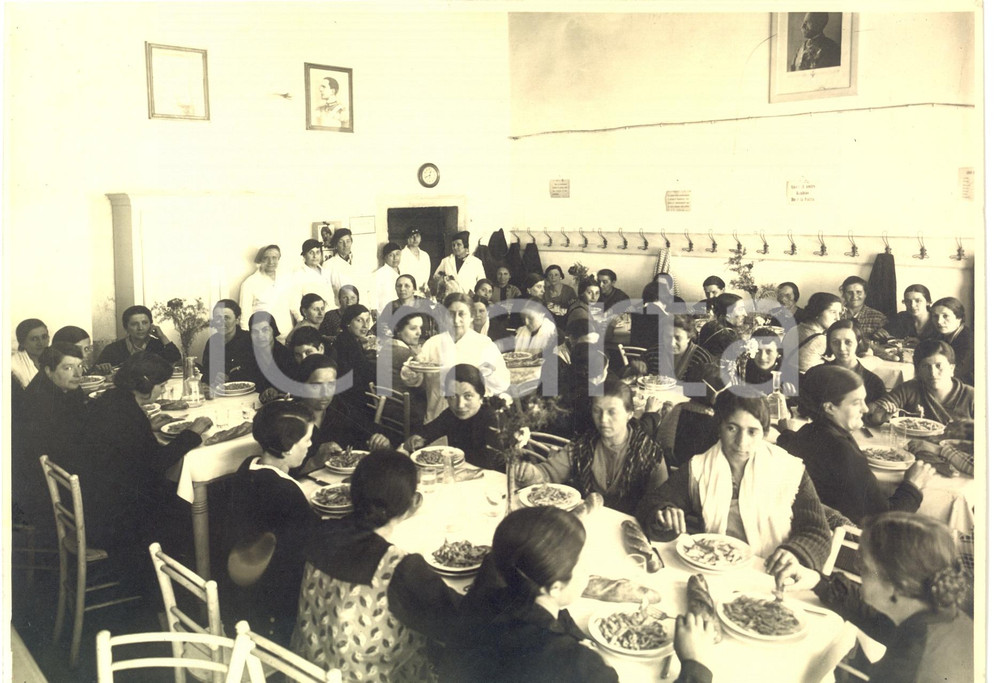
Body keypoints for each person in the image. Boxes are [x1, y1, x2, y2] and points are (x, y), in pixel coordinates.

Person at [292, 450, 461, 680]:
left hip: (305, 674)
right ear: (414, 503)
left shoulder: (320, 531)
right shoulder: (399, 567)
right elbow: (463, 621)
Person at [638, 389, 831, 575]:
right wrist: (663, 513)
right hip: (715, 568)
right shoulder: (699, 467)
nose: (741, 442)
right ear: (719, 428)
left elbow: (817, 532)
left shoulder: (789, 469)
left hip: (774, 574)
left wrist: (794, 553)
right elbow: (652, 503)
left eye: (752, 432)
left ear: (764, 433)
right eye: (732, 428)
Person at [69, 352, 212, 588]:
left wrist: (147, 425)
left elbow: (129, 447)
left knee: (174, 488)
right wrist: (192, 434)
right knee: (189, 498)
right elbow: (157, 462)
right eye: (162, 384)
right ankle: (177, 579)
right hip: (115, 520)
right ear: (145, 383)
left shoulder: (113, 399)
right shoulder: (126, 414)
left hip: (95, 502)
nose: (164, 390)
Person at [781, 512, 972, 683]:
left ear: (896, 586)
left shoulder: (905, 669)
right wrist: (818, 582)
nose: (858, 572)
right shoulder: (940, 614)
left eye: (863, 566)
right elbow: (878, 619)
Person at [444, 507, 617, 683]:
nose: (587, 570)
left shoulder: (480, 597)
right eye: (581, 563)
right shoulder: (579, 665)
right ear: (555, 588)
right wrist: (601, 662)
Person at [777, 365, 933, 524]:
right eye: (856, 403)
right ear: (830, 407)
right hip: (850, 540)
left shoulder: (808, 432)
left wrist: (785, 432)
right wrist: (913, 485)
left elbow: (789, 441)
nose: (865, 409)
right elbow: (885, 521)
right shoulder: (842, 452)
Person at [220, 399, 318, 644]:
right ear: (287, 448)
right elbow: (312, 543)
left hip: (240, 599)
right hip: (270, 615)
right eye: (306, 440)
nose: (310, 445)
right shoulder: (285, 493)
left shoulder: (248, 468)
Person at [515, 379, 668, 516]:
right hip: (586, 523)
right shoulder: (583, 445)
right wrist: (530, 473)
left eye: (612, 412)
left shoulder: (650, 454)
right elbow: (549, 472)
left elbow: (659, 505)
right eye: (597, 411)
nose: (603, 420)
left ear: (629, 414)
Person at [12, 343, 89, 544]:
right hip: (42, 490)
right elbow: (67, 449)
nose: (78, 374)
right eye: (68, 368)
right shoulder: (41, 402)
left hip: (55, 472)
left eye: (80, 366)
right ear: (48, 370)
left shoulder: (58, 387)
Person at [402, 293, 510, 423]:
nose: (456, 320)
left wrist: (487, 373)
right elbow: (414, 380)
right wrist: (413, 370)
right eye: (451, 314)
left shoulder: (484, 344)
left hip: (472, 419)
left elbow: (502, 383)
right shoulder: (433, 343)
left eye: (461, 314)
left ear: (471, 316)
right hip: (436, 417)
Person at [292, 355, 391, 473]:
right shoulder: (289, 419)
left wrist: (382, 442)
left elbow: (370, 431)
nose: (325, 393)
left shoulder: (340, 408)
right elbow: (280, 475)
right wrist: (314, 462)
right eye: (316, 386)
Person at [404, 364, 505, 471]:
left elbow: (499, 461)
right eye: (453, 396)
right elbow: (428, 431)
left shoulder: (493, 419)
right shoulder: (450, 415)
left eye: (468, 396)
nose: (460, 405)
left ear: (480, 396)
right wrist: (418, 438)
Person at [869, 340, 974, 426]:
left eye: (939, 366)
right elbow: (871, 409)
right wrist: (877, 417)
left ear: (952, 369)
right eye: (926, 366)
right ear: (917, 370)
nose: (933, 373)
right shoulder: (909, 389)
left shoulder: (971, 396)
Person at [824, 319, 886, 404]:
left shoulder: (873, 383)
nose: (841, 348)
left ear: (858, 343)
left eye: (848, 342)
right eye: (835, 342)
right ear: (829, 344)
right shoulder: (817, 374)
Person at [97, 305, 182, 367]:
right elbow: (93, 372)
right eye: (134, 324)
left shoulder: (157, 345)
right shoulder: (113, 349)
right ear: (126, 327)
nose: (140, 328)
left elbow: (175, 358)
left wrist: (162, 336)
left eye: (145, 323)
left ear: (151, 324)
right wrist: (101, 368)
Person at [201, 299, 255, 386]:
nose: (221, 322)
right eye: (218, 318)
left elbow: (256, 374)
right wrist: (213, 377)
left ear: (237, 319)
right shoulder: (212, 342)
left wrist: (230, 378)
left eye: (226, 318)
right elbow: (206, 372)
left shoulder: (250, 340)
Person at [239, 244, 290, 331]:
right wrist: (246, 336)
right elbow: (245, 314)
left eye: (274, 257)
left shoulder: (285, 279)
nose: (271, 262)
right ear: (260, 260)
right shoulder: (249, 283)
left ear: (278, 259)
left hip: (286, 332)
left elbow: (293, 304)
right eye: (266, 258)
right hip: (262, 335)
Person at [793, 292, 843, 376]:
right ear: (818, 312)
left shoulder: (796, 328)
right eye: (833, 312)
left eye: (839, 313)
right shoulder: (821, 340)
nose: (838, 318)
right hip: (807, 382)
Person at [245, 311, 296, 392]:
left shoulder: (285, 355)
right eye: (255, 332)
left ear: (273, 330)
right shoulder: (248, 354)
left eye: (265, 330)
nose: (260, 336)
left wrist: (276, 391)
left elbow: (292, 384)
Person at [288, 239, 335, 324]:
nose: (315, 256)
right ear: (304, 255)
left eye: (317, 252)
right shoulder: (298, 274)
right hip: (311, 320)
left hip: (329, 318)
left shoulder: (325, 272)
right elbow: (294, 303)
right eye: (311, 253)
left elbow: (330, 297)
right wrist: (301, 321)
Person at [930, 297, 973, 385]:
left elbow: (956, 371)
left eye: (945, 316)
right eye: (935, 316)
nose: (939, 321)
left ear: (959, 318)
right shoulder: (940, 334)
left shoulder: (969, 340)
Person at [695, 293, 745, 358]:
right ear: (727, 313)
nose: (745, 314)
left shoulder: (708, 326)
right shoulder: (727, 335)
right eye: (740, 309)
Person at [322, 227, 364, 304]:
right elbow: (327, 292)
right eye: (341, 242)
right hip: (340, 309)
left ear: (351, 242)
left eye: (348, 241)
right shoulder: (328, 265)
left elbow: (365, 287)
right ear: (336, 245)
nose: (345, 245)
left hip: (360, 308)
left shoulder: (360, 261)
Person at [840, 276, 887, 341]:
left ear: (865, 294)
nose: (854, 296)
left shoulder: (878, 317)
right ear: (844, 295)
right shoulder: (836, 315)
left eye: (859, 292)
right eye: (850, 293)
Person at [11, 318, 50, 391]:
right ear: (22, 342)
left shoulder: (56, 358)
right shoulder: (13, 366)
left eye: (44, 337)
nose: (41, 343)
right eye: (34, 339)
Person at [398, 227, 432, 292]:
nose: (415, 239)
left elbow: (427, 274)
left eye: (417, 236)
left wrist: (424, 287)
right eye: (411, 236)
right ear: (407, 239)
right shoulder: (402, 255)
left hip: (424, 290)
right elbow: (402, 275)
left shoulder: (425, 255)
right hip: (408, 290)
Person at [374, 241, 403, 314]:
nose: (395, 258)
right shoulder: (379, 274)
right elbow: (374, 298)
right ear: (385, 257)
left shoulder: (404, 272)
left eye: (397, 254)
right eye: (391, 255)